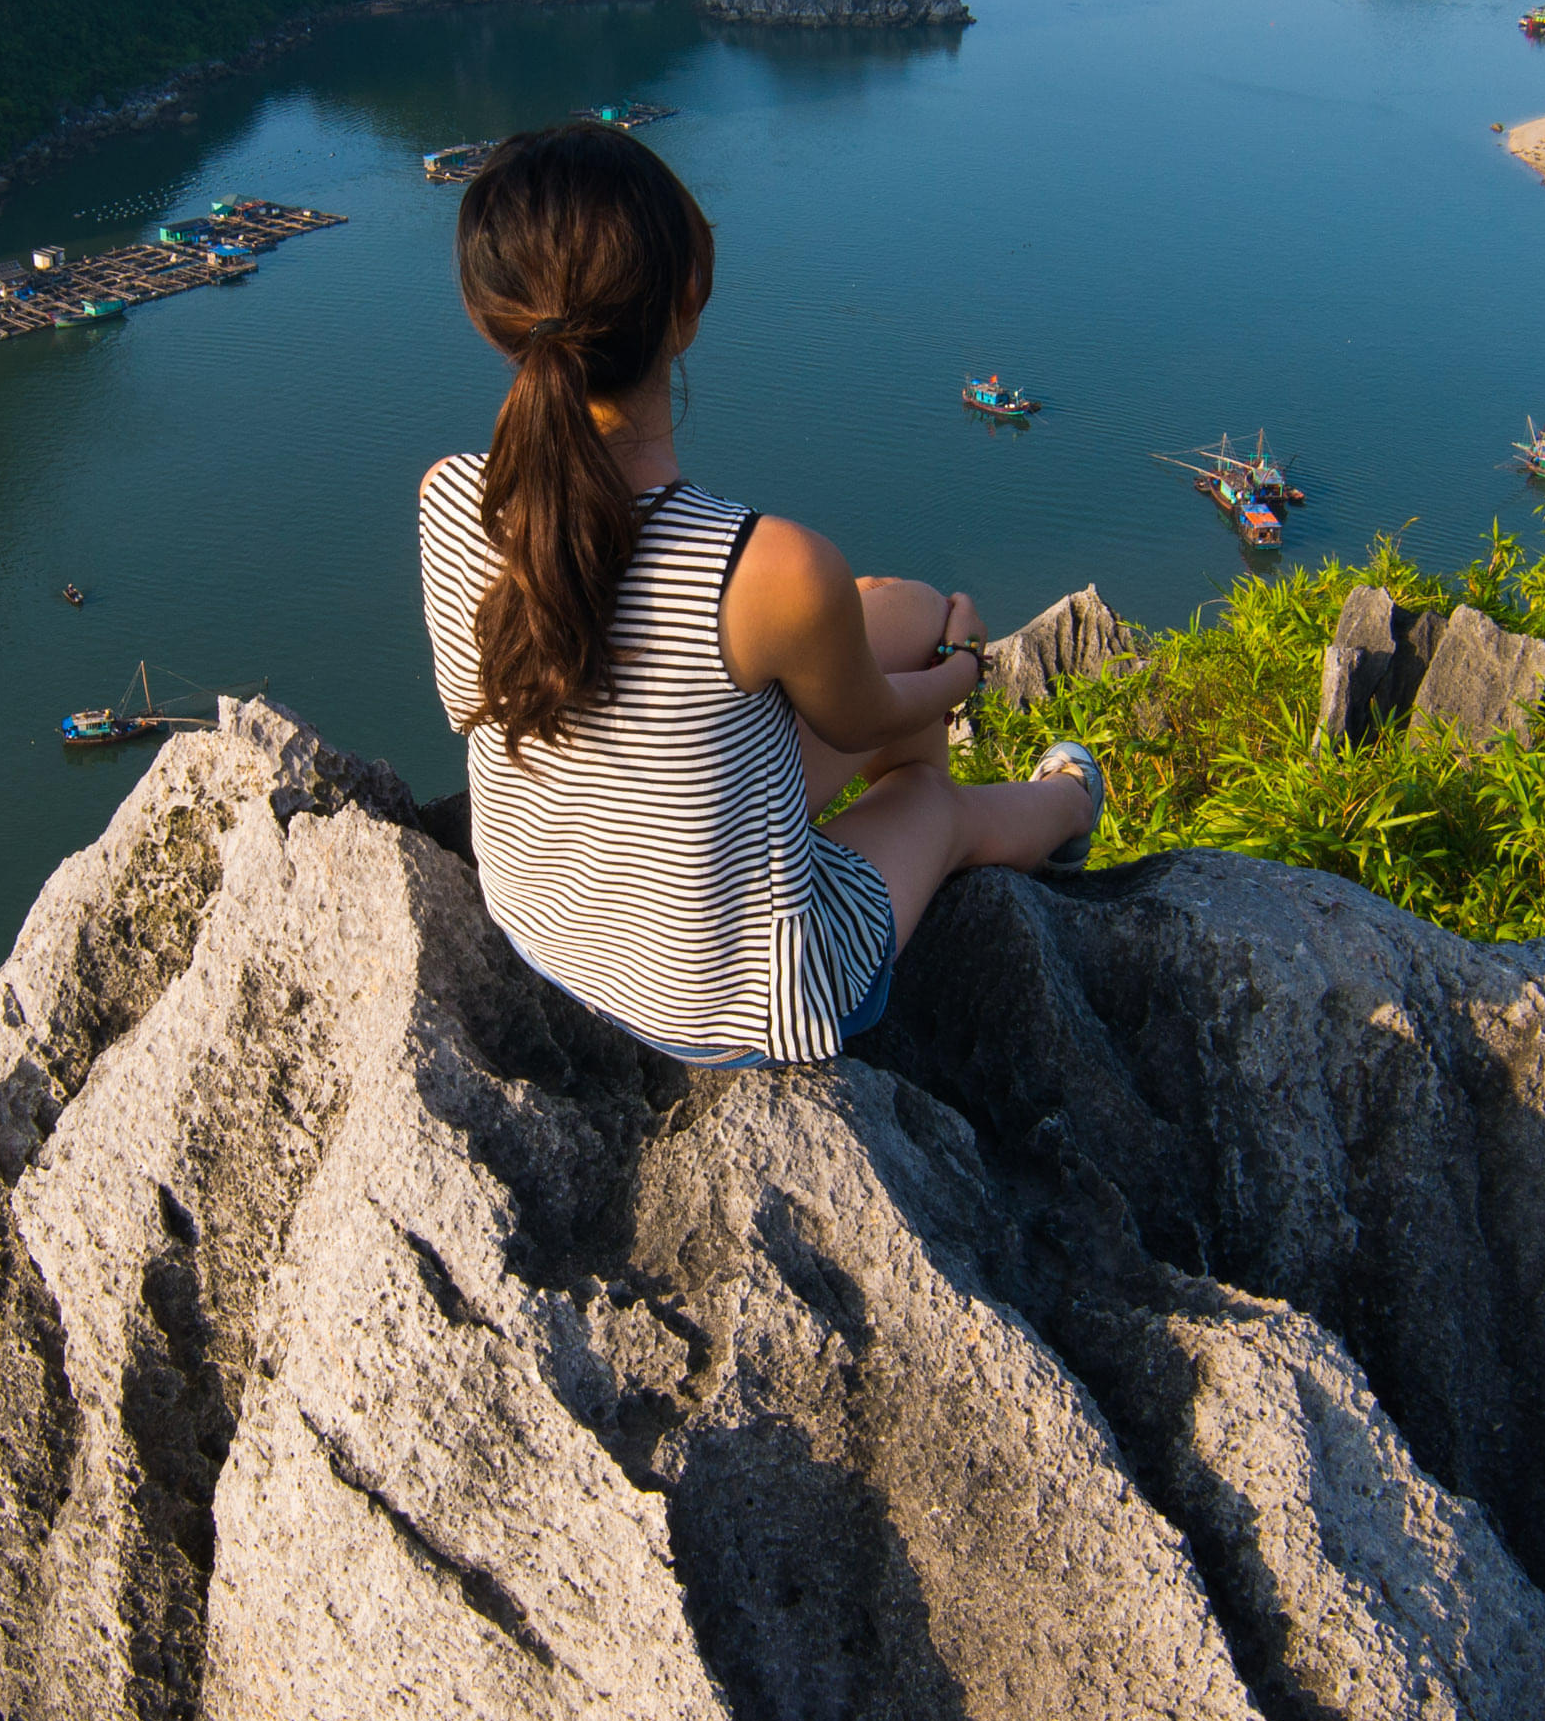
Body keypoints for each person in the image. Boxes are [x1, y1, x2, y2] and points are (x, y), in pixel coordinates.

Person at [416, 123, 1099, 1068]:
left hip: (544, 915)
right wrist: (962, 669)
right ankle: (1068, 802)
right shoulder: (764, 566)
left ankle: (928, 784)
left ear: (489, 315)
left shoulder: (454, 496)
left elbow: (474, 705)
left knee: (888, 604)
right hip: (726, 1002)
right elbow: (862, 721)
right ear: (685, 306)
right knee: (934, 803)